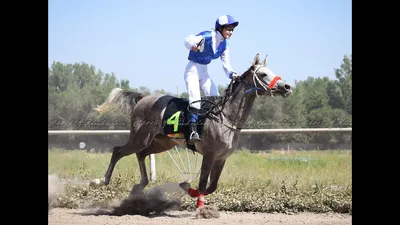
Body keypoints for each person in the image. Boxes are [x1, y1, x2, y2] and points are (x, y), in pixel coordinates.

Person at [183, 14, 240, 142]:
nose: (230, 32)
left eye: (232, 30)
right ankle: (192, 132)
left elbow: (226, 64)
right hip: (192, 69)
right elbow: (188, 39)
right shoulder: (207, 36)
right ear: (220, 28)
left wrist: (233, 74)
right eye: (228, 29)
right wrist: (192, 45)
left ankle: (208, 128)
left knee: (215, 98)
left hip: (204, 71)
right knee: (195, 99)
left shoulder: (225, 44)